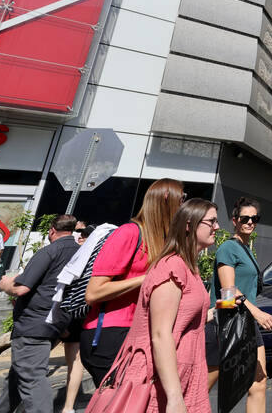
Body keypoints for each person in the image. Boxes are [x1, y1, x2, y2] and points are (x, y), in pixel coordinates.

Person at [92, 199, 218, 413]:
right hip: (159, 380)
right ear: (189, 225)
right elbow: (160, 334)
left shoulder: (189, 268)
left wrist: (215, 312)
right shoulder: (171, 267)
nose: (216, 227)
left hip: (186, 374)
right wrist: (175, 398)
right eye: (211, 221)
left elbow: (183, 320)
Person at [82, 177, 184, 383]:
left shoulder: (160, 240)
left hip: (139, 331)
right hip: (109, 334)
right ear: (167, 199)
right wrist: (147, 278)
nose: (184, 205)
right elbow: (93, 293)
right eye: (182, 199)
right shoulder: (128, 233)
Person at [0, 214, 80, 413]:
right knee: (18, 376)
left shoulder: (50, 250)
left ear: (52, 230)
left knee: (32, 377)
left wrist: (6, 284)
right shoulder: (80, 252)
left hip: (34, 322)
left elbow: (21, 289)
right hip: (57, 321)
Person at [207, 197, 272, 412]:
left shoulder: (246, 248)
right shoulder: (228, 248)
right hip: (228, 324)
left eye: (254, 218)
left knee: (259, 384)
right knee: (201, 388)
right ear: (234, 220)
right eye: (245, 218)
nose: (250, 222)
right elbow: (229, 291)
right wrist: (257, 313)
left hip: (247, 323)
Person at [60, 225, 92, 413]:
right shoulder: (79, 255)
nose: (81, 237)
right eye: (80, 234)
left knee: (75, 360)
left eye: (86, 235)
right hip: (67, 312)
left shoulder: (78, 256)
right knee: (74, 360)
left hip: (74, 314)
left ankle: (68, 406)